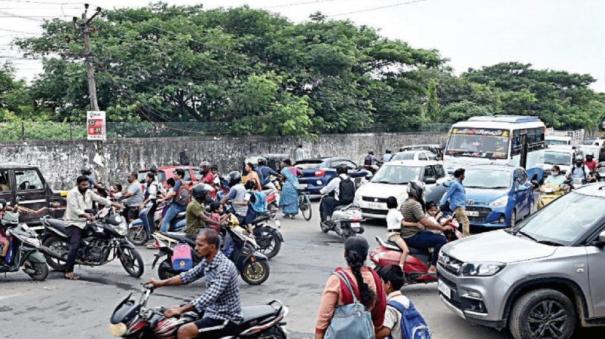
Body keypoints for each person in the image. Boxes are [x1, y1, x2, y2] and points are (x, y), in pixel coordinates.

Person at [146, 229, 243, 339]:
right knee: (171, 322)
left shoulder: (224, 267)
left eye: (200, 245)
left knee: (184, 331)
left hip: (226, 316)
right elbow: (187, 276)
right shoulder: (208, 261)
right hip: (210, 310)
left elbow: (209, 296)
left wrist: (180, 310)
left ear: (212, 247)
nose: (196, 248)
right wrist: (160, 283)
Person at [315, 236, 387, 339]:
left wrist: (318, 335)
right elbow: (380, 310)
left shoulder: (337, 280)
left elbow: (324, 315)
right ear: (365, 255)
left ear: (345, 254)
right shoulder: (374, 278)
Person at [63, 176, 122, 280]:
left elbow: (99, 199)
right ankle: (68, 271)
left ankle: (90, 253)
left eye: (87, 184)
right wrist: (86, 215)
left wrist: (113, 203)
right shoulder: (72, 193)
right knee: (75, 246)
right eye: (83, 185)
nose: (86, 186)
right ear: (78, 184)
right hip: (74, 222)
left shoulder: (89, 192)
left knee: (98, 234)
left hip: (86, 221)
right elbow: (75, 209)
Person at [402, 181, 453, 274]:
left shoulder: (406, 202)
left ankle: (427, 260)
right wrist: (442, 228)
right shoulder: (414, 204)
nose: (423, 194)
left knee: (431, 234)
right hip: (412, 236)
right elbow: (425, 222)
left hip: (408, 234)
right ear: (417, 191)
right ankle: (433, 267)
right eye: (422, 191)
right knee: (441, 240)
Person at [376, 265, 408, 339]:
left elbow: (385, 331)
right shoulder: (405, 299)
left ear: (388, 284)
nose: (380, 285)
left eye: (381, 282)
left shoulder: (391, 307)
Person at [439, 168, 470, 236]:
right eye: (463, 175)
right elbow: (448, 193)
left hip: (461, 205)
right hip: (458, 206)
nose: (464, 176)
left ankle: (455, 235)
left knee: (457, 222)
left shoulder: (459, 184)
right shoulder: (455, 184)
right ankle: (466, 237)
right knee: (465, 221)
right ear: (460, 175)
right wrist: (441, 203)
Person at [385, 196, 410, 270]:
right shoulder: (396, 213)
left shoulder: (389, 213)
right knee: (406, 250)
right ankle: (401, 267)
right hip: (395, 235)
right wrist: (416, 224)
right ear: (396, 203)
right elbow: (404, 223)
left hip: (390, 234)